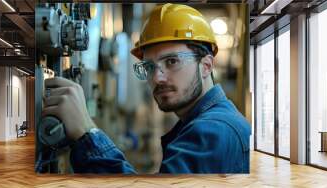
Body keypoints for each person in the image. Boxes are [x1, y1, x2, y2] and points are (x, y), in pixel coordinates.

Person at [42, 3, 251, 174]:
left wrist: (86, 133)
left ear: (206, 66)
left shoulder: (212, 132)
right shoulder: (210, 122)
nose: (158, 77)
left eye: (171, 61)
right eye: (150, 67)